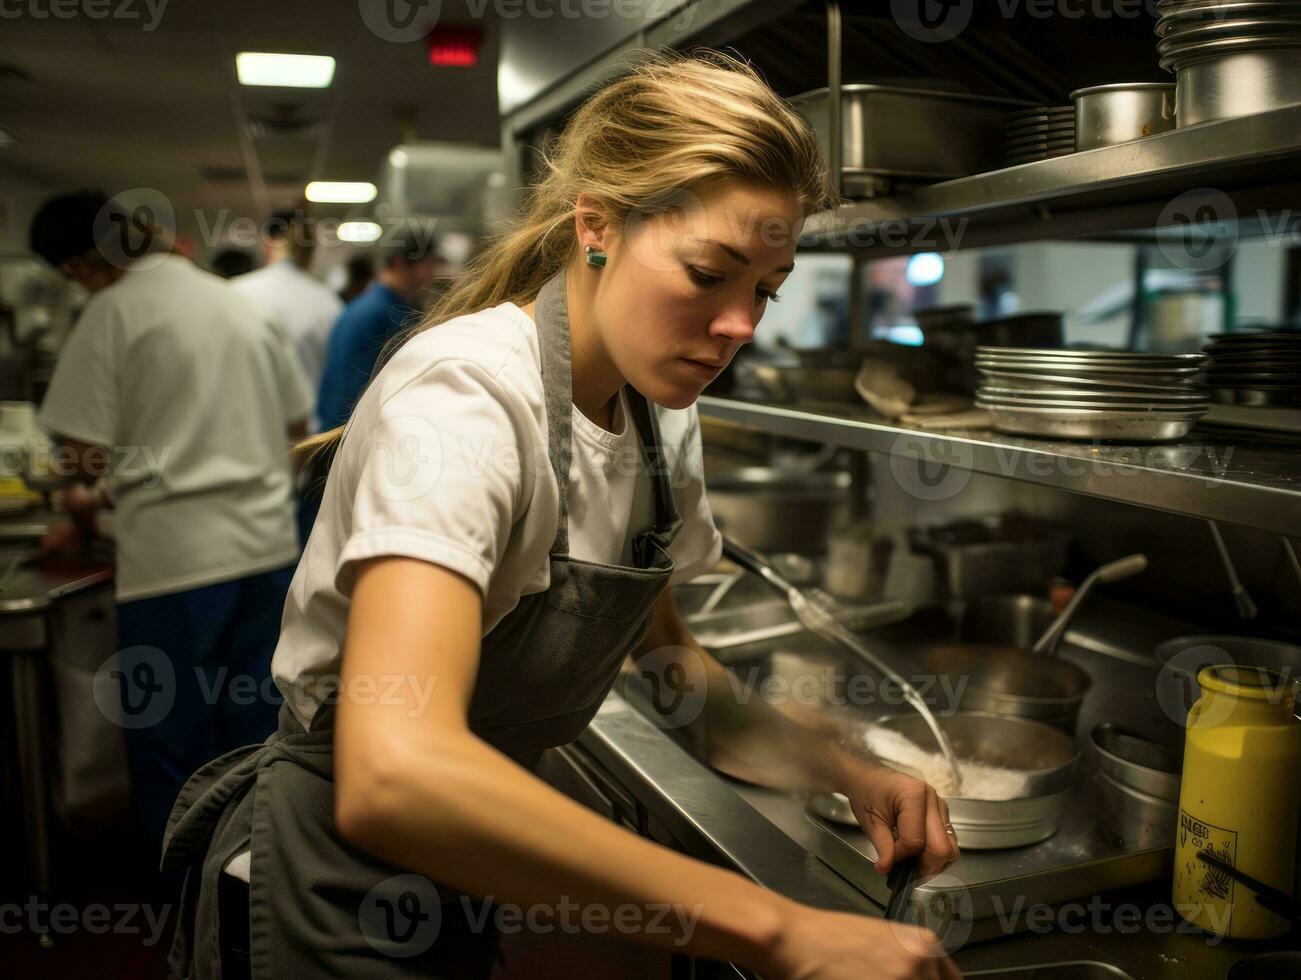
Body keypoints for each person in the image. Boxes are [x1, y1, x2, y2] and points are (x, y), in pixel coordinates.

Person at [162, 53, 962, 980]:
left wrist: (850, 772)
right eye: (710, 272)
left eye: (765, 290)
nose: (741, 323)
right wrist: (783, 930)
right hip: (341, 881)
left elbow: (671, 668)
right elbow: (394, 775)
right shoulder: (466, 400)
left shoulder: (660, 418)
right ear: (596, 227)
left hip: (471, 860)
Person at [28, 190, 314, 873]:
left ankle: (188, 909)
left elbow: (83, 454)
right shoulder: (234, 301)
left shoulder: (111, 311)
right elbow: (297, 431)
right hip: (267, 552)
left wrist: (88, 502)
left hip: (175, 567)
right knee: (253, 736)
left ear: (81, 265)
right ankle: (256, 894)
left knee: (171, 744)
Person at [315, 222, 444, 430]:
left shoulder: (368, 306)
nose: (433, 273)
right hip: (346, 435)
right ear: (401, 263)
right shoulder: (383, 313)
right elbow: (354, 391)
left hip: (339, 433)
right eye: (428, 264)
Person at [233, 207, 344, 428]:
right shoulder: (328, 302)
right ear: (311, 249)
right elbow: (336, 382)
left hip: (246, 431)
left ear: (266, 242)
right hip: (307, 441)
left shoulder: (234, 293)